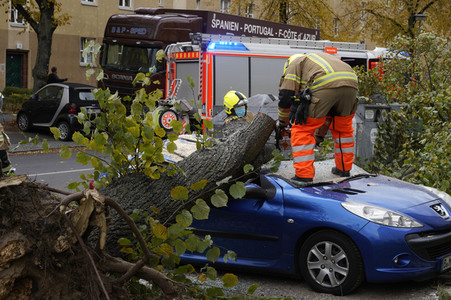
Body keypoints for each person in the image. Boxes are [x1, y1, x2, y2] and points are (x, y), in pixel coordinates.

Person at [277, 53, 359, 183]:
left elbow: (286, 95)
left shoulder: (294, 63)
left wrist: (283, 122)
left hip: (326, 83)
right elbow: (327, 115)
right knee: (343, 128)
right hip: (351, 83)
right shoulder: (315, 61)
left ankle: (304, 175)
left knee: (303, 128)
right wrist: (319, 136)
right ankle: (343, 168)